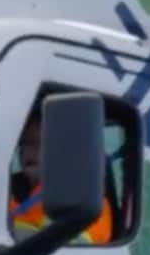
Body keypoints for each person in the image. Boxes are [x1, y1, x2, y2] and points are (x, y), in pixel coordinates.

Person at [9, 105, 115, 244]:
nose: (29, 151)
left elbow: (69, 250)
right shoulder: (12, 189)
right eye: (25, 144)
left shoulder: (83, 198)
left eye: (41, 143)